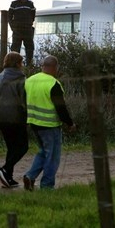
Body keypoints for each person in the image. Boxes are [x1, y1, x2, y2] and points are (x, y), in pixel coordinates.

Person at [23, 55, 76, 191]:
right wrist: (69, 123)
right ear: (54, 67)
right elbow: (60, 107)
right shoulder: (53, 83)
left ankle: (30, 176)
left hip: (34, 122)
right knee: (52, 156)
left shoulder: (29, 81)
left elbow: (23, 101)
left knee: (43, 152)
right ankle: (47, 186)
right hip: (50, 125)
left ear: (42, 66)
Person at [0, 51, 28, 188]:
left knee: (11, 147)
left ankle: (8, 177)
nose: (22, 65)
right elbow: (24, 101)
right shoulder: (21, 78)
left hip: (0, 117)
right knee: (23, 147)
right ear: (17, 63)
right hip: (16, 117)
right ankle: (5, 169)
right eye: (21, 62)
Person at [8, 0, 36, 65]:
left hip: (28, 30)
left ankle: (29, 65)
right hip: (17, 30)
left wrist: (29, 23)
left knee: (30, 48)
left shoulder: (30, 4)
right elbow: (9, 16)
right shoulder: (14, 4)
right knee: (15, 49)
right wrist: (13, 27)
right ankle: (14, 65)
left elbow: (33, 15)